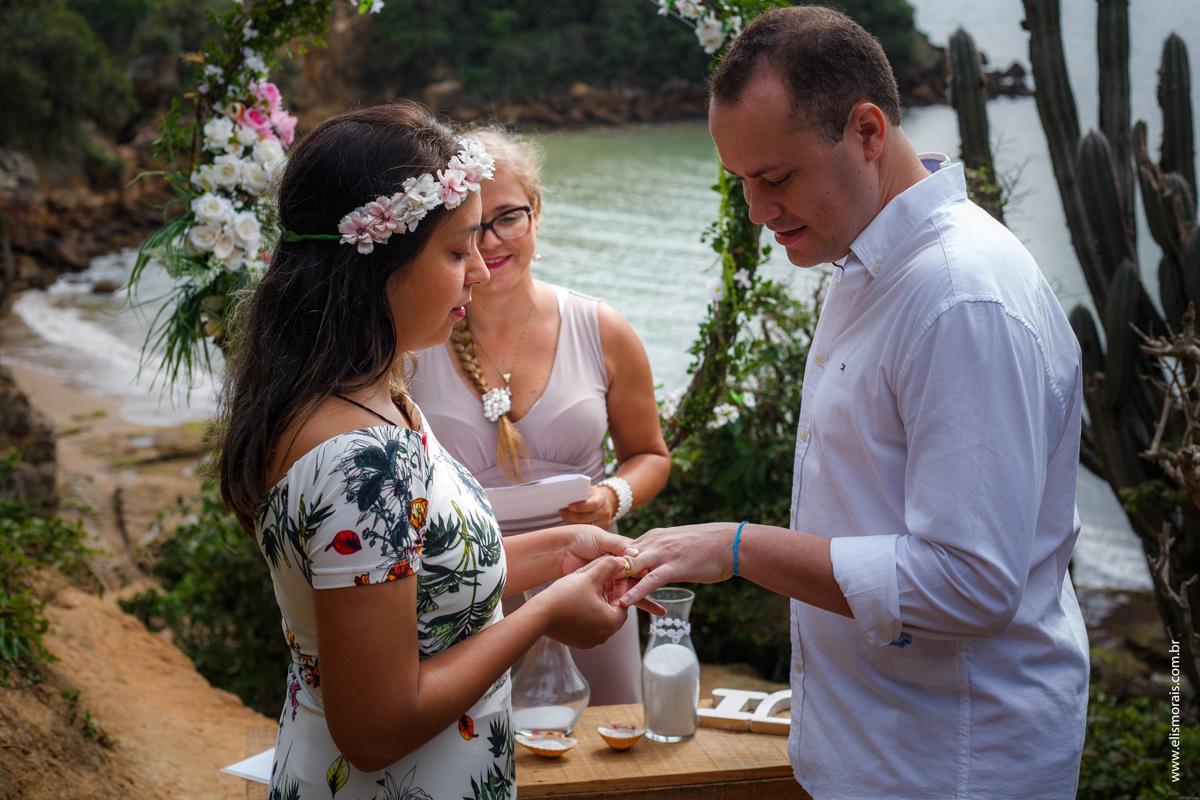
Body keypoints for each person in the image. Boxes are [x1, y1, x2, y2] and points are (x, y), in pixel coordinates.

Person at [619, 8, 1089, 799]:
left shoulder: (958, 297)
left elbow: (968, 582)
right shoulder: (869, 265)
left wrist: (738, 547)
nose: (758, 211)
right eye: (743, 182)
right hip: (868, 749)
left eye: (777, 177)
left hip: (949, 765)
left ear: (867, 131)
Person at [216, 103, 651, 799]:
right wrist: (544, 610)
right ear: (378, 265)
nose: (479, 271)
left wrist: (562, 549)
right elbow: (378, 729)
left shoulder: (365, 396)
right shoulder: (361, 462)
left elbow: (417, 585)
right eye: (456, 251)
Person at [409, 128, 670, 705]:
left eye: (510, 217)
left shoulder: (603, 330)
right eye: (471, 229)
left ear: (537, 213)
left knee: (609, 759)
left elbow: (650, 455)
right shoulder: (411, 346)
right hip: (461, 598)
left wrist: (612, 498)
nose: (491, 243)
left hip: (591, 584)